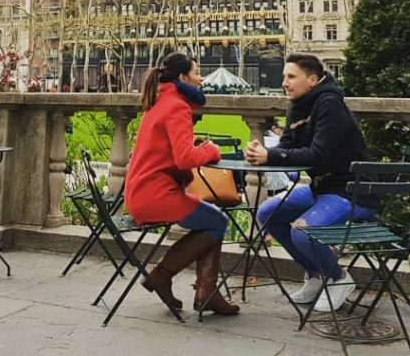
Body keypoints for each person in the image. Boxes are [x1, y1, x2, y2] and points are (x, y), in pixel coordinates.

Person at [245, 53, 371, 311]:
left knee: (301, 230)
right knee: (268, 212)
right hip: (322, 189)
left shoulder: (329, 104)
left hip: (352, 191)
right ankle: (317, 274)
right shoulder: (299, 105)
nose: (284, 82)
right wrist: (262, 151)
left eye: (291, 76)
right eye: (284, 77)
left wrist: (272, 155)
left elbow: (319, 155)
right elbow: (288, 147)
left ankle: (338, 278)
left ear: (312, 79)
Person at [124, 52, 240, 315]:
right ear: (183, 77)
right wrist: (211, 149)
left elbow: (169, 151)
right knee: (218, 221)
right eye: (197, 72)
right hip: (156, 194)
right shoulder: (177, 106)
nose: (201, 79)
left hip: (144, 191)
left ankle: (194, 287)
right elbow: (185, 159)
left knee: (213, 221)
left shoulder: (159, 100)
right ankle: (176, 280)